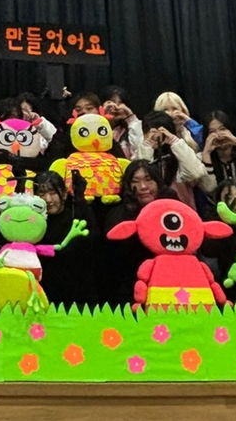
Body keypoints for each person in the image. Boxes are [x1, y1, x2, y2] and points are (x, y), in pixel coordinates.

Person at [102, 162, 177, 305]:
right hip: (130, 285)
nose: (143, 187)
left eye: (148, 180)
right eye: (135, 181)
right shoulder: (118, 213)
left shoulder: (172, 207)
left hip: (169, 281)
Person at [33, 171, 98, 309]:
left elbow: (93, 237)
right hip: (45, 292)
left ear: (63, 194)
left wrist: (80, 199)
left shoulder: (76, 215)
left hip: (78, 292)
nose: (48, 199)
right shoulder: (33, 221)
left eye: (52, 193)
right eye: (41, 194)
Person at [133, 111, 210, 212]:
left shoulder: (180, 154)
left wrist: (174, 141)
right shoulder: (140, 153)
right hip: (150, 212)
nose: (156, 136)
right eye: (149, 131)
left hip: (181, 211)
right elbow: (140, 175)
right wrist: (147, 146)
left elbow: (195, 173)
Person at [99, 86, 143, 159]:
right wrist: (101, 116)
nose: (116, 107)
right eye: (111, 102)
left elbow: (140, 154)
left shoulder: (132, 128)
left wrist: (131, 118)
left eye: (120, 103)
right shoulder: (95, 126)